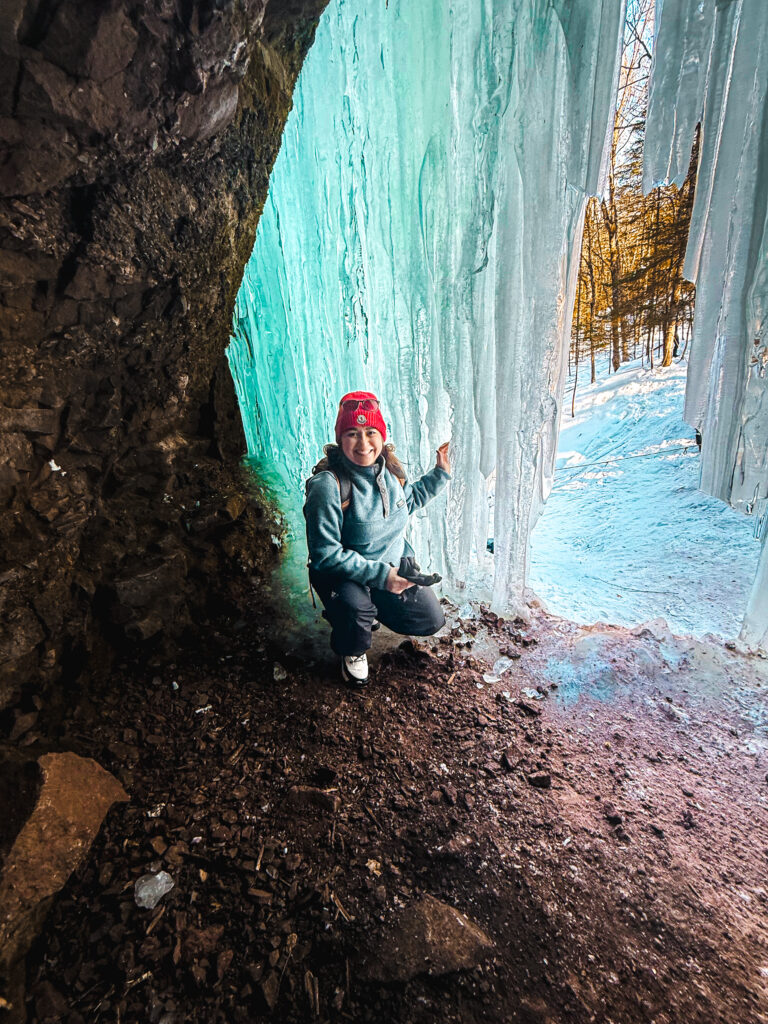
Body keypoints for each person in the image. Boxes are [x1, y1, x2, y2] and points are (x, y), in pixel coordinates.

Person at [303, 391, 451, 688]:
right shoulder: (328, 486)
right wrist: (383, 578)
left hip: (388, 565)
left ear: (381, 435)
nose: (363, 443)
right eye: (352, 433)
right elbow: (325, 554)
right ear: (339, 438)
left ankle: (367, 607)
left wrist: (440, 474)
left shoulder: (390, 472)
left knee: (430, 620)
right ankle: (352, 643)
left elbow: (408, 501)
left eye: (371, 432)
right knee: (355, 610)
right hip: (342, 574)